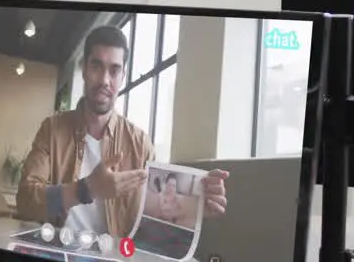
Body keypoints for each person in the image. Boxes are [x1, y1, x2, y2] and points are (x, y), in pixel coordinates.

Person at [17, 25, 228, 239]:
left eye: (114, 70)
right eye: (96, 66)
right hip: (56, 257)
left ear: (123, 76)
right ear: (84, 69)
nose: (104, 80)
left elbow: (152, 226)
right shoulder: (52, 129)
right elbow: (25, 201)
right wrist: (86, 189)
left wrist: (197, 207)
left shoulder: (140, 145)